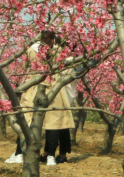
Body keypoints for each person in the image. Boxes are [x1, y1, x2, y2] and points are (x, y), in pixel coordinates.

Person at [5, 30, 77, 166]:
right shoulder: (58, 49)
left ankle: (20, 153)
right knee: (54, 122)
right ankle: (50, 156)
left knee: (26, 121)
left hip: (33, 85)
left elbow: (26, 66)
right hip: (53, 86)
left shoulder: (32, 48)